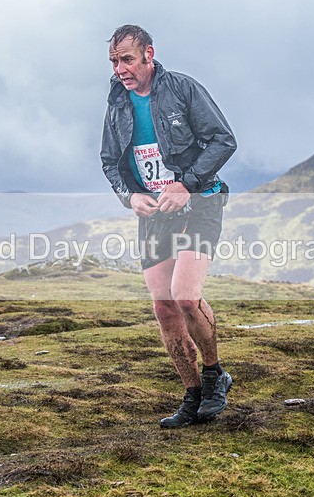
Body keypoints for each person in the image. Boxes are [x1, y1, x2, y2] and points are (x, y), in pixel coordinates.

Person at [100, 24, 237, 428]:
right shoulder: (117, 104)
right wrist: (130, 196)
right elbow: (109, 161)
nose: (120, 69)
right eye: (113, 61)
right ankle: (192, 394)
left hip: (200, 200)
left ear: (148, 54)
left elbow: (223, 140)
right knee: (163, 307)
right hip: (155, 214)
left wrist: (185, 183)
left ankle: (215, 377)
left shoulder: (182, 89)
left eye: (126, 59)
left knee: (185, 297)